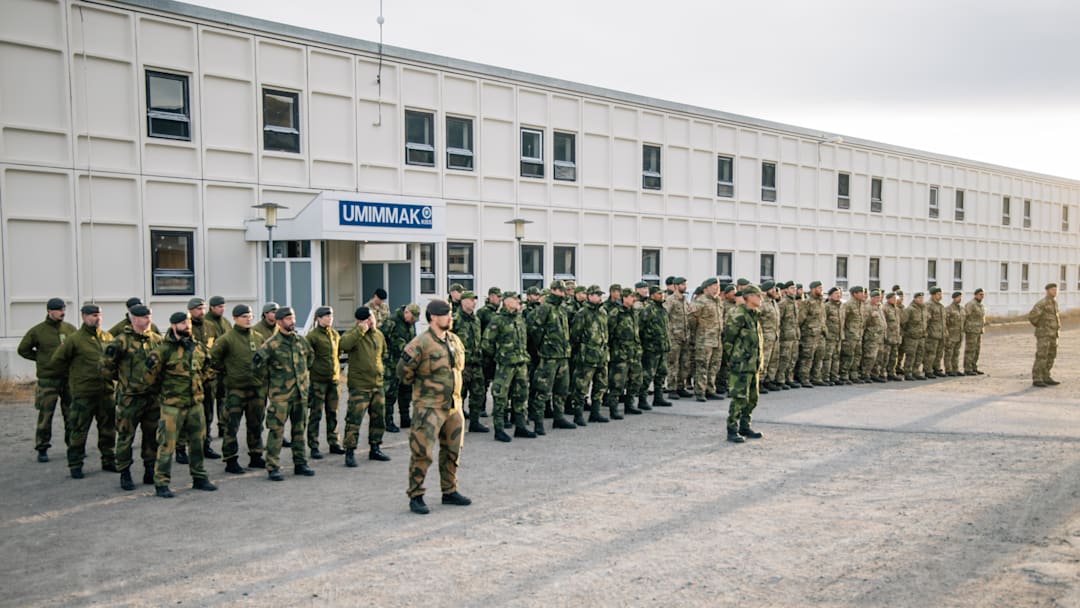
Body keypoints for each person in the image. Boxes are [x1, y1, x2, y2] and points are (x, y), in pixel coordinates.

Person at [397, 299, 471, 515]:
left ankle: (449, 491)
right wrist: (425, 392)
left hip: (453, 406)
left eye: (450, 314)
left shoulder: (454, 340)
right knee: (422, 453)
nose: (451, 317)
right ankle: (416, 495)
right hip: (429, 408)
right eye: (446, 314)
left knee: (452, 451)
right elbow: (403, 372)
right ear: (434, 318)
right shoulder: (420, 343)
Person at [145, 311, 217, 498]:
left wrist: (198, 385)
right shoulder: (163, 351)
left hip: (195, 404)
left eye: (188, 323)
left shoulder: (197, 347)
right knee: (166, 445)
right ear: (173, 326)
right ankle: (162, 482)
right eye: (183, 323)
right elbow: (150, 378)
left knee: (197, 442)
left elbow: (208, 369)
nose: (187, 326)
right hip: (172, 406)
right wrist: (167, 392)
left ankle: (199, 477)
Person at [101, 304, 163, 491]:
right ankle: (125, 472)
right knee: (126, 436)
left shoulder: (157, 340)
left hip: (152, 398)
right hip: (130, 398)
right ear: (134, 319)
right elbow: (105, 367)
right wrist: (125, 381)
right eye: (144, 317)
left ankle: (150, 469)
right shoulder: (121, 342)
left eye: (150, 316)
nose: (148, 320)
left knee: (152, 436)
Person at [50, 303, 115, 478]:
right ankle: (75, 464)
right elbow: (57, 361)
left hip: (106, 392)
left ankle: (108, 459)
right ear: (84, 317)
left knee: (108, 429)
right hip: (84, 394)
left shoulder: (107, 337)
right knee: (78, 429)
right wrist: (74, 377)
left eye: (99, 315)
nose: (97, 318)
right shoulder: (74, 339)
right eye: (93, 315)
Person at [253, 307, 315, 481]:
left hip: (300, 394)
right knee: (276, 431)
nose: (292, 322)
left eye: (293, 318)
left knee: (299, 430)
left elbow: (310, 359)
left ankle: (300, 463)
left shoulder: (300, 341)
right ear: (279, 322)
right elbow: (257, 367)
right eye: (288, 319)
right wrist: (272, 383)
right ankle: (273, 466)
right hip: (280, 396)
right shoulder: (271, 344)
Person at [210, 304, 266, 474]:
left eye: (250, 316)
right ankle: (230, 459)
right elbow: (213, 360)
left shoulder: (258, 337)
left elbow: (264, 359)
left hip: (255, 388)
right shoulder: (227, 339)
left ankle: (256, 455)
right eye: (244, 316)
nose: (248, 319)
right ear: (235, 318)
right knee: (231, 425)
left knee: (256, 424)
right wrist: (227, 372)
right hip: (236, 389)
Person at [18, 298, 76, 463]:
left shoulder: (69, 329)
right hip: (48, 379)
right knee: (46, 414)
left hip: (67, 378)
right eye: (59, 310)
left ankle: (73, 446)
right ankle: (42, 447)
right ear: (50, 311)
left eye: (64, 309)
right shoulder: (38, 331)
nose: (62, 313)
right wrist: (41, 359)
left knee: (72, 413)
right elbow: (23, 349)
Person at [339, 306, 392, 467]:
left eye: (371, 318)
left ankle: (375, 448)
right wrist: (360, 330)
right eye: (367, 319)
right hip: (360, 386)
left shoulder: (378, 335)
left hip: (377, 384)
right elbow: (344, 345)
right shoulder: (353, 334)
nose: (370, 321)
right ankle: (349, 451)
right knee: (354, 420)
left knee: (378, 419)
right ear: (360, 321)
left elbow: (383, 354)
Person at [483, 292, 534, 442]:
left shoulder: (519, 319)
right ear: (506, 302)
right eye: (515, 299)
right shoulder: (498, 320)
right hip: (505, 365)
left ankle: (520, 426)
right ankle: (499, 429)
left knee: (521, 395)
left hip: (521, 363)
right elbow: (486, 343)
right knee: (500, 396)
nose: (518, 301)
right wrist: (500, 355)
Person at [527, 280, 574, 431]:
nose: (563, 293)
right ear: (553, 290)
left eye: (564, 291)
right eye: (560, 290)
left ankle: (559, 417)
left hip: (563, 355)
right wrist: (543, 346)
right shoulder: (545, 308)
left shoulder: (561, 309)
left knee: (562, 390)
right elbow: (535, 329)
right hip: (549, 356)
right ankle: (538, 422)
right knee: (542, 390)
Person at [724, 285, 765, 443]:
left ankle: (745, 426)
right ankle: (732, 429)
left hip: (753, 364)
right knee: (739, 398)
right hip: (741, 363)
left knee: (753, 398)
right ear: (749, 297)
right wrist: (733, 359)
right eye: (758, 296)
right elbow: (728, 339)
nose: (761, 299)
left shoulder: (754, 315)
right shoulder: (739, 314)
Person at [184, 297, 221, 460]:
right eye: (198, 309)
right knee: (186, 415)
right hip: (190, 378)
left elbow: (218, 346)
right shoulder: (185, 326)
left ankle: (206, 445)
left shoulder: (210, 326)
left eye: (203, 308)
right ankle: (181, 448)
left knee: (208, 414)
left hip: (209, 378)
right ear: (191, 311)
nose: (202, 312)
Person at [568, 285, 610, 426]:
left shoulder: (603, 312)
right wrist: (581, 351)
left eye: (600, 295)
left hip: (601, 355)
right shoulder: (582, 313)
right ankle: (578, 414)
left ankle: (595, 413)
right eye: (597, 295)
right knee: (581, 386)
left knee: (601, 385)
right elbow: (575, 335)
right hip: (587, 356)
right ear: (590, 296)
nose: (599, 297)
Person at [306, 306, 344, 459]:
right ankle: (313, 445)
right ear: (318, 318)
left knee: (333, 413)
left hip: (333, 380)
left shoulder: (334, 334)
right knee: (315, 414)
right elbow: (307, 357)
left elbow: (338, 354)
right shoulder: (312, 336)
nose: (329, 319)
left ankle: (334, 442)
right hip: (318, 381)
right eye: (326, 316)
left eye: (331, 316)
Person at [453, 291, 489, 433]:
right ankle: (456, 423)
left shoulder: (476, 320)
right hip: (461, 364)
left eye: (475, 300)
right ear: (463, 301)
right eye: (471, 300)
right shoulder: (455, 319)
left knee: (478, 393)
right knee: (459, 394)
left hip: (476, 362)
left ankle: (474, 422)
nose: (474, 303)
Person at [381, 303, 420, 432]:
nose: (412, 321)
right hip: (392, 363)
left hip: (406, 363)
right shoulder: (392, 321)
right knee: (390, 393)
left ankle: (405, 418)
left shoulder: (410, 323)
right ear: (406, 313)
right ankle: (388, 421)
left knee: (406, 391)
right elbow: (380, 338)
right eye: (412, 318)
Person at [607, 288, 644, 418]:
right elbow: (609, 332)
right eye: (631, 297)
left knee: (635, 380)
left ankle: (630, 405)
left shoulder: (634, 312)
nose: (634, 299)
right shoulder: (616, 313)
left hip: (634, 353)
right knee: (617, 383)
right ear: (625, 298)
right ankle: (613, 408)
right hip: (620, 353)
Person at [639, 285, 672, 409]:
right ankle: (642, 399)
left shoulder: (662, 309)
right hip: (651, 348)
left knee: (661, 373)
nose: (662, 296)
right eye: (659, 294)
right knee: (647, 375)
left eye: (662, 293)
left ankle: (658, 397)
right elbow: (640, 328)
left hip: (662, 347)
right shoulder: (648, 309)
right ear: (652, 295)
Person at [693, 278, 724, 401]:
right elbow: (691, 319)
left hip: (717, 338)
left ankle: (710, 390)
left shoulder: (718, 301)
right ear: (706, 288)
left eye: (718, 285)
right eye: (714, 285)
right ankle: (700, 391)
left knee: (714, 366)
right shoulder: (700, 301)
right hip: (704, 339)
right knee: (702, 366)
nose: (717, 288)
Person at [204, 295, 231, 438]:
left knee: (224, 399)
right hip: (211, 369)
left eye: (223, 307)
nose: (222, 309)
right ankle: (206, 432)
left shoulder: (225, 322)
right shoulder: (206, 323)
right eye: (219, 307)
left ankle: (223, 427)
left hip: (224, 369)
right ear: (212, 307)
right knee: (208, 403)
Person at [664, 277, 693, 399]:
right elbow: (665, 316)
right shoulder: (670, 300)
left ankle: (681, 386)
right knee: (673, 363)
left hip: (685, 336)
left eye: (685, 284)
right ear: (676, 286)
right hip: (674, 337)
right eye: (682, 284)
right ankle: (672, 388)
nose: (684, 286)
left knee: (684, 363)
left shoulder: (685, 300)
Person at [1029, 283, 1060, 387]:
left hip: (1053, 334)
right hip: (1044, 335)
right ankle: (1037, 378)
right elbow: (1032, 317)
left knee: (1051, 355)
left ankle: (1046, 376)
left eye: (1056, 290)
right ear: (1047, 291)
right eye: (1053, 290)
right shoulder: (1042, 303)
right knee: (1041, 356)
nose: (1055, 292)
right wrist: (1041, 327)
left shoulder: (1054, 303)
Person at [796, 281, 826, 387]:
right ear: (813, 289)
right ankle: (804, 377)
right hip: (809, 334)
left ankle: (816, 377)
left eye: (821, 288)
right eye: (819, 288)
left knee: (819, 357)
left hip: (820, 334)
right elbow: (800, 319)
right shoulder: (807, 303)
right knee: (807, 357)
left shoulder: (822, 302)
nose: (821, 290)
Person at [839, 286, 866, 384]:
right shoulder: (848, 305)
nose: (863, 294)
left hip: (858, 335)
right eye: (861, 292)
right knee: (848, 356)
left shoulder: (861, 305)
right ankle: (844, 375)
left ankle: (854, 375)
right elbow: (842, 320)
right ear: (855, 294)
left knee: (857, 355)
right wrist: (843, 334)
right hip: (850, 335)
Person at [860, 290, 887, 382]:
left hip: (880, 337)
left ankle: (875, 374)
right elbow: (864, 323)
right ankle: (865, 374)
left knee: (879, 357)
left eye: (879, 297)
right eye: (876, 298)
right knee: (870, 356)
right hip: (871, 337)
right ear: (871, 298)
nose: (878, 299)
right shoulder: (868, 308)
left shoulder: (879, 307)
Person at [777, 281, 800, 389]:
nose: (794, 290)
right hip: (786, 336)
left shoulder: (793, 302)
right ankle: (781, 379)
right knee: (784, 358)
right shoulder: (783, 303)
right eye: (791, 288)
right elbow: (779, 320)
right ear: (786, 290)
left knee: (793, 358)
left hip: (794, 335)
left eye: (795, 288)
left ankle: (789, 378)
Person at [901, 293, 928, 380]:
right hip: (911, 337)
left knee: (919, 355)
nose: (921, 299)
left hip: (921, 336)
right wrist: (908, 332)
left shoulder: (924, 309)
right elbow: (903, 322)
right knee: (910, 355)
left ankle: (916, 371)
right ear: (915, 299)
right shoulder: (910, 309)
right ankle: (908, 372)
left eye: (922, 298)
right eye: (919, 298)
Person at [822, 287, 844, 386]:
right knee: (828, 357)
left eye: (839, 293)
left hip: (838, 336)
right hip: (829, 336)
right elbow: (823, 321)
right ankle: (825, 377)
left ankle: (834, 376)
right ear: (830, 296)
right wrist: (826, 333)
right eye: (836, 293)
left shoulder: (841, 307)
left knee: (836, 357)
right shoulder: (827, 306)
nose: (838, 295)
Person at [923, 287, 947, 378]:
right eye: (938, 294)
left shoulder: (940, 306)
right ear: (933, 295)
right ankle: (928, 370)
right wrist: (926, 332)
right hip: (932, 334)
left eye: (941, 294)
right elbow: (926, 320)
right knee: (930, 353)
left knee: (939, 353)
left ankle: (936, 368)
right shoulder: (928, 305)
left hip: (940, 334)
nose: (940, 296)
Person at [963, 289, 986, 375]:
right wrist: (965, 327)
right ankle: (967, 369)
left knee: (976, 350)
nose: (982, 296)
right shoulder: (971, 304)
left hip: (978, 330)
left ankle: (974, 367)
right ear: (975, 295)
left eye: (983, 295)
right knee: (970, 350)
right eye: (980, 294)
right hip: (971, 330)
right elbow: (965, 315)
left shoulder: (981, 305)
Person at [882, 292, 904, 381]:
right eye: (893, 298)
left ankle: (892, 373)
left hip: (895, 337)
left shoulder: (896, 309)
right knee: (885, 357)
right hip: (888, 337)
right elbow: (883, 323)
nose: (895, 300)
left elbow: (898, 323)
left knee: (894, 356)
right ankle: (882, 373)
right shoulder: (884, 308)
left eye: (896, 298)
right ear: (889, 299)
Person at [944, 291, 966, 376]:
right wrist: (946, 333)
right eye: (958, 297)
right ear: (954, 298)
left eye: (960, 297)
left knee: (956, 353)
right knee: (949, 353)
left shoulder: (962, 309)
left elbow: (964, 321)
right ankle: (948, 370)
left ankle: (955, 369)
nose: (960, 299)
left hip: (959, 335)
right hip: (951, 335)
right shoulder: (948, 309)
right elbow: (945, 322)